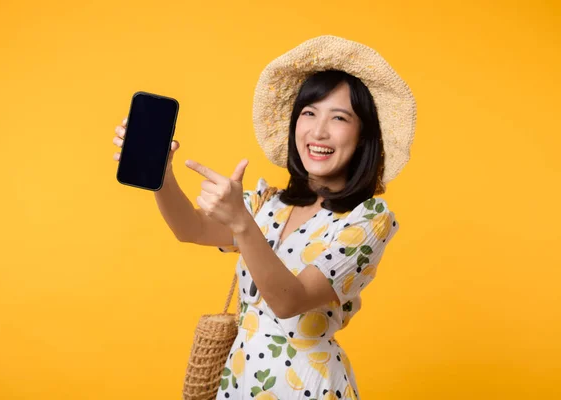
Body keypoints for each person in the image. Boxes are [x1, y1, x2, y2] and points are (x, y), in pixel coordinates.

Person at [112, 35, 416, 400]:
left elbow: (289, 301)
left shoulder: (368, 219)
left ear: (364, 136)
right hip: (240, 379)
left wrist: (242, 223)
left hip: (307, 385)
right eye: (309, 113)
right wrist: (161, 172)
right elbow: (189, 229)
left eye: (339, 117)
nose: (318, 131)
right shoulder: (270, 202)